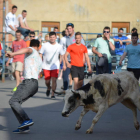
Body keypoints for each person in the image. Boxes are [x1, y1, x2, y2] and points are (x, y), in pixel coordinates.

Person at [8, 39, 42, 133]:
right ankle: (24, 126)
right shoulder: (39, 57)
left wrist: (13, 54)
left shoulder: (31, 50)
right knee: (15, 102)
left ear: (31, 45)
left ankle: (26, 120)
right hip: (34, 84)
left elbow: (27, 50)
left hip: (29, 82)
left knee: (13, 101)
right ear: (39, 46)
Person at [39, 32, 64, 99]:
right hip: (46, 65)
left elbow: (62, 54)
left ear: (56, 37)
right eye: (51, 37)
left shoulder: (59, 46)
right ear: (49, 38)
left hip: (55, 65)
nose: (52, 39)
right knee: (47, 81)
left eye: (53, 37)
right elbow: (40, 53)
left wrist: (61, 61)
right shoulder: (45, 45)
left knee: (54, 80)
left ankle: (52, 94)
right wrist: (40, 62)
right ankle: (48, 87)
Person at [62, 23, 85, 93]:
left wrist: (83, 61)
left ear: (73, 29)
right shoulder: (66, 38)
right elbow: (65, 51)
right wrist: (65, 63)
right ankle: (66, 91)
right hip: (69, 61)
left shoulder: (77, 37)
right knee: (65, 77)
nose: (69, 30)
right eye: (68, 29)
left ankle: (80, 93)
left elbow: (83, 49)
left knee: (79, 80)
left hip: (77, 62)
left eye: (70, 28)